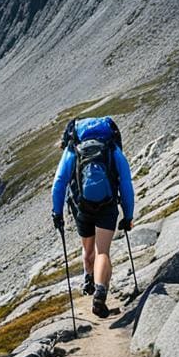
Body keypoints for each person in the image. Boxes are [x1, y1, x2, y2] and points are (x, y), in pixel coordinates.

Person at [51, 116, 134, 318]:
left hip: (82, 207)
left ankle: (88, 277)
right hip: (107, 206)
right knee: (103, 252)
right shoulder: (111, 148)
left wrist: (57, 212)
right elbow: (126, 184)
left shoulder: (73, 149)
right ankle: (100, 292)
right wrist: (128, 214)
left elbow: (59, 182)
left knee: (88, 250)